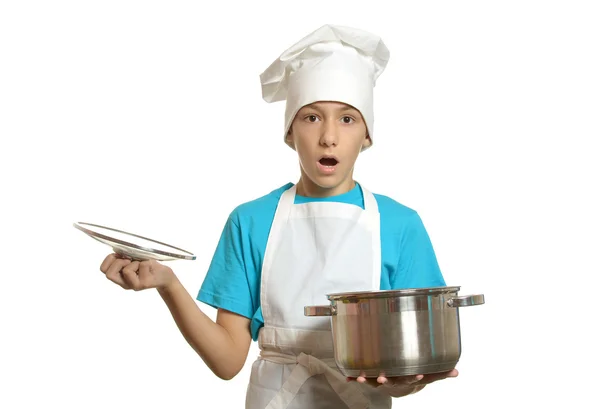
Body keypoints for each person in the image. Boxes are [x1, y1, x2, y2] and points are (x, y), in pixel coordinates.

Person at [99, 24, 458, 409]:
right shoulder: (251, 221)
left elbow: (407, 367)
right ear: (290, 132)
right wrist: (168, 284)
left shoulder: (401, 225)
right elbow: (227, 361)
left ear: (367, 136)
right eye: (312, 117)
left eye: (348, 119)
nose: (329, 137)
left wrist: (407, 382)